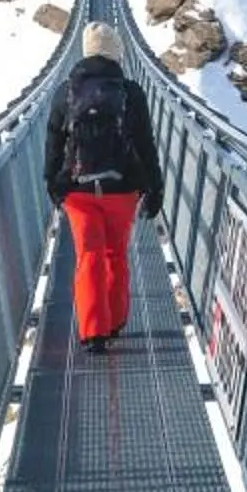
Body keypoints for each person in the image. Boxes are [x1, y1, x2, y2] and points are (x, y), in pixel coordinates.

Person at [44, 23, 164, 344]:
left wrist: (52, 182)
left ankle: (94, 330)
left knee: (89, 256)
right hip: (122, 189)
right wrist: (155, 187)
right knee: (115, 254)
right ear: (117, 53)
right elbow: (144, 144)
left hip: (77, 191)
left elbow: (53, 141)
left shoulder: (64, 92)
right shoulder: (131, 92)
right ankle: (115, 322)